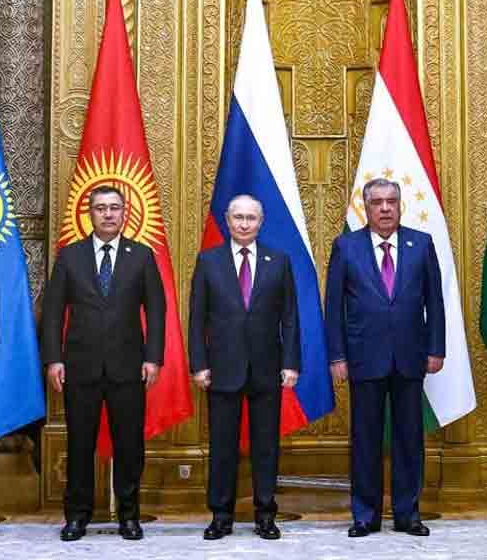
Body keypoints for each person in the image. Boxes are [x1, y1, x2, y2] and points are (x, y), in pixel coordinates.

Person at [41, 184, 165, 542]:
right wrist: (53, 359)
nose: (108, 214)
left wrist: (153, 357)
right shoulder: (70, 256)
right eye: (100, 208)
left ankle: (129, 516)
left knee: (129, 445)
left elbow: (156, 311)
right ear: (89, 213)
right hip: (80, 367)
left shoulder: (141, 256)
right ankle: (77, 516)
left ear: (124, 212)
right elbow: (52, 313)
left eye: (114, 208)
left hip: (129, 367)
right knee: (80, 444)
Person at [324, 177, 444, 538]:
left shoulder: (420, 244)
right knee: (366, 439)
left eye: (392, 201)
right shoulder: (346, 247)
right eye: (377, 202)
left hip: (411, 356)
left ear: (400, 204)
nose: (386, 208)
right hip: (364, 357)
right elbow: (334, 306)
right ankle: (365, 514)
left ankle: (408, 513)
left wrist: (436, 348)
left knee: (409, 438)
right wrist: (337, 356)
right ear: (366, 207)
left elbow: (434, 302)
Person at [189, 194, 299, 541]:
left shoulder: (278, 262)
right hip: (222, 369)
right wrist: (198, 365)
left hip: (267, 369)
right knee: (222, 446)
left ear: (261, 222)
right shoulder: (208, 262)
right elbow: (196, 320)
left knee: (266, 446)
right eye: (239, 217)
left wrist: (291, 364)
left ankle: (265, 514)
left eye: (251, 218)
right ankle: (221, 515)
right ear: (227, 219)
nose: (244, 223)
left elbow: (291, 319)